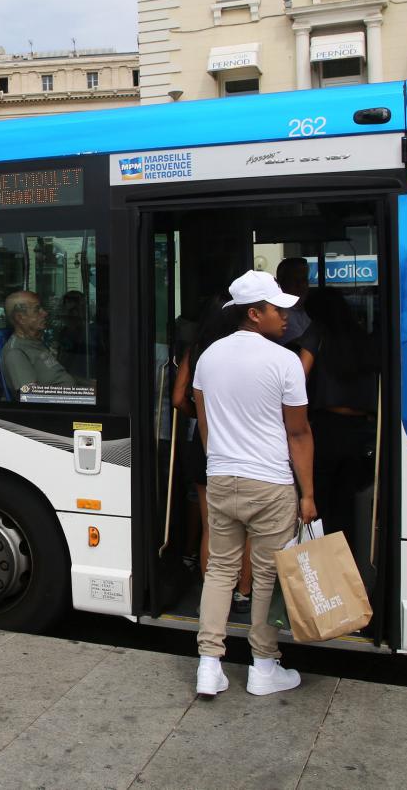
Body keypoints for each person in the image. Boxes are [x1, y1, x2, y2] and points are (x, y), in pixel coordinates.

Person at [192, 270, 316, 698]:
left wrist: (222, 466)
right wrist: (309, 494)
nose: (286, 316)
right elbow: (298, 433)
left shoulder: (208, 357)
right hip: (271, 483)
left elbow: (205, 426)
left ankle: (209, 664)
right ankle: (263, 666)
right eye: (278, 309)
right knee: (266, 575)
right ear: (254, 312)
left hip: (223, 478)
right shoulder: (284, 361)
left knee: (221, 570)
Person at [172, 297, 253, 613]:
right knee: (247, 527)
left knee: (212, 526)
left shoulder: (198, 351)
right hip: (242, 443)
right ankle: (243, 592)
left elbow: (179, 398)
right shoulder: (246, 353)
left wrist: (201, 414)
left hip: (203, 442)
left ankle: (212, 592)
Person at [298, 288, 378, 559]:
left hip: (325, 428)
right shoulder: (361, 336)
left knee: (318, 504)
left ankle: (321, 572)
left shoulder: (317, 333)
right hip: (361, 430)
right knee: (347, 505)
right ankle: (346, 568)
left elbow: (299, 375)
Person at [1, 290, 82, 392]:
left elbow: (58, 376)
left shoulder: (35, 343)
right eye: (37, 310)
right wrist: (84, 394)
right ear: (20, 318)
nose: (45, 313)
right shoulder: (15, 353)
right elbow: (31, 396)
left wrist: (89, 385)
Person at [275, 258, 312, 348]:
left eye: (304, 280)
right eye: (295, 280)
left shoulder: (305, 311)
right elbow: (302, 346)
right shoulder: (282, 314)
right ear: (282, 283)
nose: (301, 286)